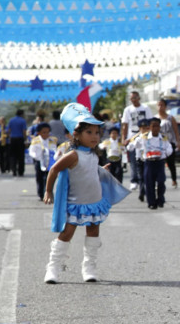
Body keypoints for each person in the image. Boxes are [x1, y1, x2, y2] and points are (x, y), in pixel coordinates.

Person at [43, 103, 129, 284]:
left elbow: (88, 170)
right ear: (76, 134)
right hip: (76, 203)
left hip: (94, 201)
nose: (94, 136)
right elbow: (54, 170)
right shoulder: (72, 154)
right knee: (67, 234)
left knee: (93, 232)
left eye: (97, 132)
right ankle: (53, 267)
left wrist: (99, 170)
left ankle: (89, 267)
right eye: (89, 132)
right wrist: (48, 190)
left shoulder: (93, 155)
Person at [129, 117, 172, 209]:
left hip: (160, 162)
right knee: (149, 183)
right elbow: (133, 145)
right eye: (153, 126)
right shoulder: (144, 137)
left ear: (159, 127)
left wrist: (165, 153)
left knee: (161, 181)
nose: (155, 128)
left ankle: (160, 199)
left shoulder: (163, 138)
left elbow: (169, 148)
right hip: (149, 163)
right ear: (149, 127)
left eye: (157, 126)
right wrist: (131, 146)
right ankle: (151, 203)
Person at [121, 91, 153, 191]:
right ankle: (134, 180)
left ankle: (145, 179)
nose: (133, 100)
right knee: (133, 160)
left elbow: (150, 122)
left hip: (144, 136)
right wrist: (123, 138)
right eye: (132, 98)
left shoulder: (145, 108)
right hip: (132, 136)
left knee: (145, 158)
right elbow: (125, 124)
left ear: (139, 98)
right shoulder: (128, 109)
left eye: (135, 98)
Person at [28, 122, 58, 201]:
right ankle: (41, 194)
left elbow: (55, 149)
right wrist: (35, 156)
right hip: (39, 161)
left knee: (49, 177)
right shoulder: (35, 140)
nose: (46, 134)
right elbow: (31, 150)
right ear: (39, 133)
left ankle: (48, 192)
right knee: (40, 178)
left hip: (49, 162)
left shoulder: (53, 140)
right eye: (44, 132)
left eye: (48, 132)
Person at [156, 98, 180, 188]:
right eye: (158, 105)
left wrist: (178, 142)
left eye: (162, 105)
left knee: (171, 163)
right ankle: (159, 179)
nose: (160, 107)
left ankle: (174, 179)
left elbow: (176, 131)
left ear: (165, 107)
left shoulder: (170, 118)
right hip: (158, 143)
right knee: (159, 162)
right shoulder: (155, 118)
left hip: (170, 143)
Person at [126, 118, 151, 202]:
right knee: (141, 177)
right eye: (142, 128)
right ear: (139, 128)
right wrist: (135, 143)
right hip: (140, 159)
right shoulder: (135, 137)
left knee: (148, 177)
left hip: (149, 159)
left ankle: (147, 192)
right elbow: (129, 147)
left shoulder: (151, 136)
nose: (144, 129)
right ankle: (141, 192)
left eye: (146, 127)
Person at [8, 109, 27, 176]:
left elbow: (9, 130)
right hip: (20, 139)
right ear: (21, 114)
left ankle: (13, 170)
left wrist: (10, 138)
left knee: (13, 155)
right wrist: (25, 139)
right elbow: (24, 131)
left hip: (13, 139)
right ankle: (20, 171)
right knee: (21, 156)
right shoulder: (23, 121)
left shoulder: (11, 120)